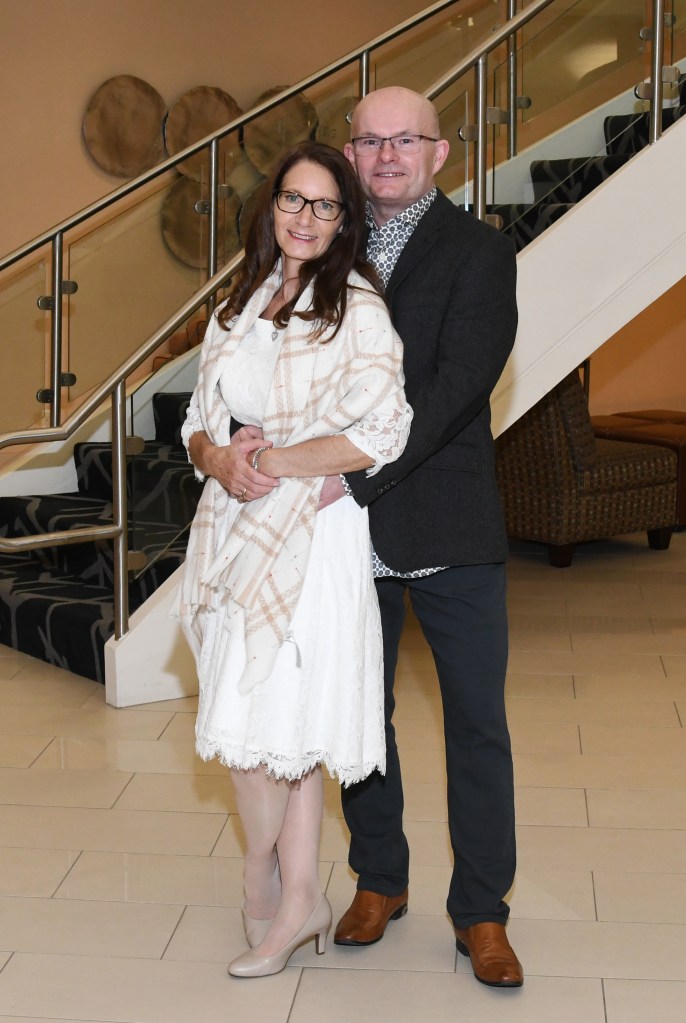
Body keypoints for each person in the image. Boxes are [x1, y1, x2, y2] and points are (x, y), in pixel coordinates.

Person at [173, 141, 412, 979]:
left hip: (313, 529)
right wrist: (217, 458)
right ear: (271, 204)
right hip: (234, 523)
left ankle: (279, 882)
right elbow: (197, 417)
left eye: (325, 205)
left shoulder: (357, 308)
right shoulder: (242, 299)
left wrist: (273, 462)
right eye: (293, 199)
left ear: (345, 221)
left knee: (289, 720)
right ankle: (290, 886)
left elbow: (383, 430)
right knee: (253, 722)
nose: (305, 217)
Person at [323, 86, 522, 988]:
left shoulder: (481, 252)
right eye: (371, 141)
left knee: (476, 723)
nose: (388, 155)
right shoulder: (326, 244)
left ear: (440, 153)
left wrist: (354, 475)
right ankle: (380, 878)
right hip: (342, 528)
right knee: (360, 712)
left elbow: (453, 392)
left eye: (406, 140)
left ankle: (482, 910)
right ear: (350, 154)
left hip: (445, 516)